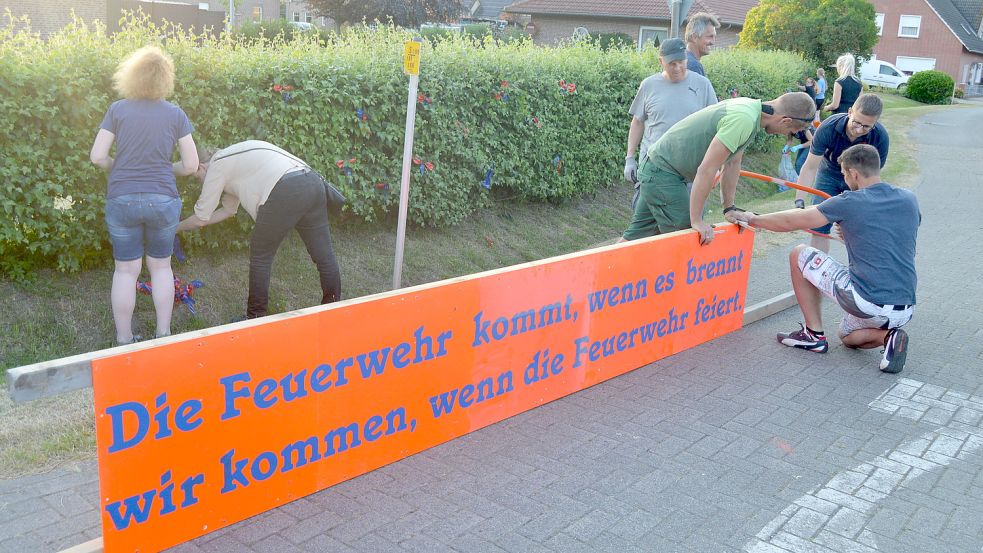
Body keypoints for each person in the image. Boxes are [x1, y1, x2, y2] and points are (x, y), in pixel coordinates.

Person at [729, 144, 919, 374]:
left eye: (845, 174)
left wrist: (753, 218)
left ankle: (813, 335)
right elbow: (891, 232)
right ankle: (889, 337)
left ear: (854, 174)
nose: (845, 180)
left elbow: (793, 221)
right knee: (846, 337)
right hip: (905, 307)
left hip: (868, 301)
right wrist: (852, 231)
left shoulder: (848, 201)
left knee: (799, 253)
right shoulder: (909, 199)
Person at [90, 46, 198, 345]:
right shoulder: (175, 114)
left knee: (126, 271)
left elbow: (98, 156)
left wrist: (118, 167)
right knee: (161, 267)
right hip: (163, 199)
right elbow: (191, 165)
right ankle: (163, 336)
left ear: (132, 76)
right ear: (165, 79)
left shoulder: (118, 109)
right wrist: (167, 168)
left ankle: (124, 340)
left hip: (122, 197)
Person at [621, 92, 816, 245]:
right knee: (687, 237)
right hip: (662, 173)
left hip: (659, 169)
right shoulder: (744, 119)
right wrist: (696, 220)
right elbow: (707, 169)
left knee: (633, 238)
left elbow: (732, 163)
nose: (788, 135)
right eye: (793, 132)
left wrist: (729, 208)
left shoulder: (750, 111)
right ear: (786, 121)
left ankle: (595, 283)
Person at [177, 140, 341, 319]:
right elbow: (228, 210)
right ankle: (332, 310)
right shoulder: (232, 160)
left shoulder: (217, 166)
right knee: (324, 255)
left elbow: (201, 218)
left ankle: (255, 318)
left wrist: (175, 228)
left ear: (201, 167)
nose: (200, 182)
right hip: (312, 181)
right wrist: (191, 223)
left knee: (260, 257)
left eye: (197, 177)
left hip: (284, 188)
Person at [623, 37, 716, 209]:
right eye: (671, 63)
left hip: (688, 172)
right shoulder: (649, 85)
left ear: (686, 59)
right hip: (652, 171)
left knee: (687, 227)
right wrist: (630, 158)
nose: (677, 68)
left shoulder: (703, 85)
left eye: (681, 62)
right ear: (661, 62)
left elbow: (715, 128)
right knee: (645, 229)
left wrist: (714, 165)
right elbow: (637, 121)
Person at [794, 93, 889, 252]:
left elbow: (872, 178)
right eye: (856, 122)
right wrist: (799, 201)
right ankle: (817, 274)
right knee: (819, 228)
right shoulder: (828, 127)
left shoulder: (880, 137)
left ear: (875, 123)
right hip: (828, 174)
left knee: (855, 231)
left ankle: (860, 274)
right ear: (850, 111)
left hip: (858, 179)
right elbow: (810, 166)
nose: (859, 130)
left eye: (866, 127)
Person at [684, 12, 719, 77]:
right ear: (694, 37)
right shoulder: (694, 66)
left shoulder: (682, 60)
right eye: (710, 36)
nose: (713, 42)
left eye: (714, 37)